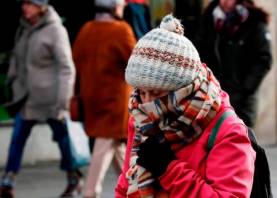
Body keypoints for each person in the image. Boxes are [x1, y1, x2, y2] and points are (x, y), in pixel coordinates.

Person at [115, 14, 255, 197]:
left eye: (157, 93)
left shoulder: (228, 131)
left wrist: (169, 169)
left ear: (184, 89)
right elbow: (124, 187)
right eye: (141, 92)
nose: (147, 103)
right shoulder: (141, 116)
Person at [0, 0, 83, 197]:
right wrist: (12, 82)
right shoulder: (25, 28)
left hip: (51, 100)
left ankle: (73, 177)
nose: (24, 7)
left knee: (64, 141)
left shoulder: (55, 30)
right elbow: (17, 59)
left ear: (40, 6)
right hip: (27, 98)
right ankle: (8, 181)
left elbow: (66, 68)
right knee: (17, 138)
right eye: (24, 3)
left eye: (29, 3)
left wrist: (63, 103)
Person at [71, 0, 136, 197]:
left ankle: (134, 190)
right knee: (104, 144)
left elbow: (75, 62)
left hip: (91, 99)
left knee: (117, 148)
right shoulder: (121, 30)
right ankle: (91, 191)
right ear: (116, 8)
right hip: (115, 102)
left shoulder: (86, 29)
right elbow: (136, 64)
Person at [194, 0, 272, 128]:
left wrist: (245, 89)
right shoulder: (209, 19)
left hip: (242, 100)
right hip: (212, 97)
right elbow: (199, 52)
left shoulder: (254, 21)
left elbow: (263, 60)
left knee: (242, 141)